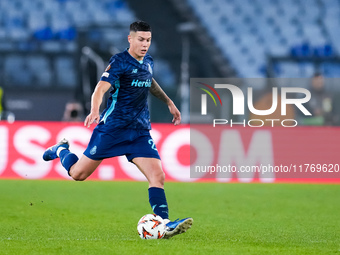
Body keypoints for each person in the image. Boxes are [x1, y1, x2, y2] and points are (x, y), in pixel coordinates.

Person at [43, 21, 193, 239]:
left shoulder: (148, 61)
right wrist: (95, 109)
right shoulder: (119, 61)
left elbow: (149, 81)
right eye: (141, 40)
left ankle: (165, 223)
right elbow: (100, 88)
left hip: (139, 131)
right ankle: (60, 150)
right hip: (112, 129)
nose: (145, 44)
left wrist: (169, 102)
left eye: (148, 40)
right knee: (78, 174)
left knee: (157, 176)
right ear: (130, 39)